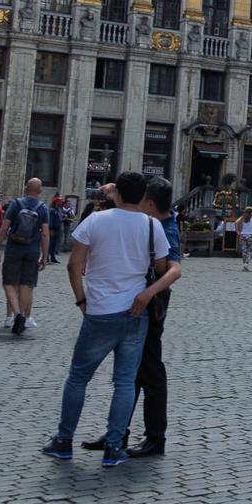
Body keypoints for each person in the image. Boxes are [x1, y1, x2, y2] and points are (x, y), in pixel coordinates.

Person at [42, 172, 177, 467]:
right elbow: (161, 267)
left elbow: (74, 264)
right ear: (142, 197)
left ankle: (64, 440)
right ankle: (114, 447)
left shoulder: (95, 220)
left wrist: (81, 299)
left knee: (79, 377)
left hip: (100, 311)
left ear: (118, 193)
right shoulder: (153, 225)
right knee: (125, 382)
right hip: (135, 313)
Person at [82, 174, 182, 459]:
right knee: (131, 370)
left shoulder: (165, 228)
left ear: (149, 203)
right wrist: (113, 188)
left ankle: (155, 437)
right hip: (135, 304)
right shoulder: (149, 219)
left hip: (150, 304)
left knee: (149, 369)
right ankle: (118, 432)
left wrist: (148, 293)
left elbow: (175, 270)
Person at [0, 178, 52, 335]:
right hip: (32, 250)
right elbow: (45, 234)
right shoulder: (43, 208)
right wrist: (45, 255)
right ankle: (24, 317)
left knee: (9, 282)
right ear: (40, 191)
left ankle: (17, 314)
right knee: (27, 284)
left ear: (25, 188)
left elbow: (4, 228)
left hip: (14, 249)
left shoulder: (15, 204)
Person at [237, 206, 252, 271]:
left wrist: (238, 231)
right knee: (250, 250)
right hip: (250, 235)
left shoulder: (242, 217)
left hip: (243, 235)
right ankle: (246, 263)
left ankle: (244, 264)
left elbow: (236, 222)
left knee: (244, 250)